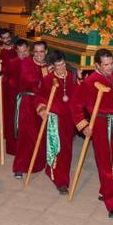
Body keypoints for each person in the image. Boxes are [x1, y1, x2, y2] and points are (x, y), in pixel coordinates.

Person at [71, 49, 113, 217]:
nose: (110, 68)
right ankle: (112, 202)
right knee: (106, 163)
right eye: (106, 65)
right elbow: (75, 104)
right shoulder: (90, 82)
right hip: (102, 124)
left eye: (111, 63)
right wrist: (83, 124)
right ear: (97, 65)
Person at [35, 50, 78, 193]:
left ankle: (57, 171)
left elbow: (79, 96)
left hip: (69, 119)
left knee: (67, 150)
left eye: (63, 64)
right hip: (54, 119)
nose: (62, 68)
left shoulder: (72, 77)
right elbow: (39, 97)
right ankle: (61, 180)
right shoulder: (48, 80)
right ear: (53, 66)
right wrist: (42, 109)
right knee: (57, 148)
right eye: (58, 65)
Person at [11, 40, 51, 179]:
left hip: (43, 103)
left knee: (40, 135)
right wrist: (45, 78)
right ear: (33, 51)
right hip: (28, 102)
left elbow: (48, 87)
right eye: (36, 51)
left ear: (46, 52)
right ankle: (20, 167)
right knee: (25, 135)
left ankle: (37, 164)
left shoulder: (47, 66)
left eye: (42, 51)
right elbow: (31, 80)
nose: (39, 54)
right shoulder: (27, 62)